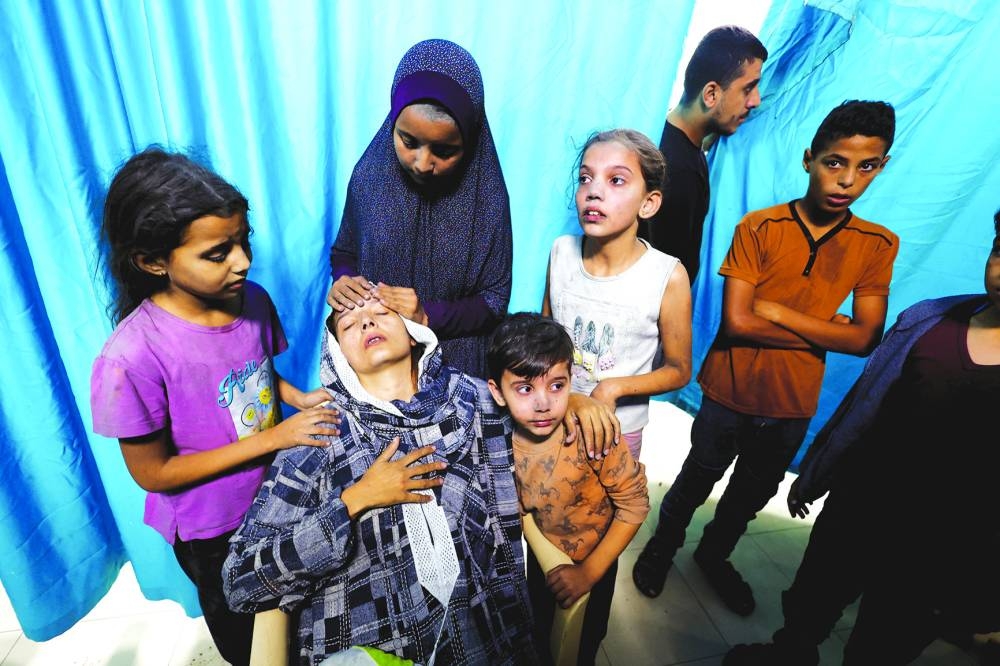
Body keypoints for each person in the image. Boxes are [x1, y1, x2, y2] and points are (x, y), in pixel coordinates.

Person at [633, 101, 901, 615]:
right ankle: (661, 549)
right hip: (729, 388)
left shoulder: (877, 245)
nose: (846, 179)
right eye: (835, 162)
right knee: (695, 480)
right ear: (809, 159)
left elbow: (867, 339)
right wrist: (827, 331)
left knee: (750, 496)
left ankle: (714, 555)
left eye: (865, 166)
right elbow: (737, 322)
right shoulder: (760, 228)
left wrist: (775, 310)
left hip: (792, 401)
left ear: (881, 167)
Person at [89, 147, 338, 666]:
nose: (243, 261)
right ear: (153, 261)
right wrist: (273, 438)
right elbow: (154, 473)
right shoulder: (131, 358)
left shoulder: (252, 301)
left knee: (300, 622)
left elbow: (254, 374)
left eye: (244, 242)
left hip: (278, 496)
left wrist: (297, 397)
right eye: (217, 252)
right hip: (213, 530)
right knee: (251, 644)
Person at [723, 211, 1000, 664]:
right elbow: (863, 407)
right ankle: (790, 651)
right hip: (860, 505)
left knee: (886, 637)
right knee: (811, 599)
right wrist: (817, 471)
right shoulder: (929, 321)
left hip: (944, 540)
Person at [223, 299, 539, 665]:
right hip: (371, 645)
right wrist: (354, 501)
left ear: (414, 333)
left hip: (488, 638)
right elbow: (239, 579)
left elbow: (543, 406)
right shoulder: (320, 437)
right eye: (349, 324)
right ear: (337, 356)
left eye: (382, 313)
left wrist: (578, 405)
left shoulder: (478, 401)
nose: (366, 323)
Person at [327, 38, 511, 380]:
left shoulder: (488, 199)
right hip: (376, 370)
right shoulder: (369, 177)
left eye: (444, 150)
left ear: (470, 142)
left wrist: (427, 316)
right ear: (392, 123)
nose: (422, 163)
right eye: (408, 141)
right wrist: (344, 280)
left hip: (458, 372)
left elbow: (495, 299)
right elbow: (345, 250)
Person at [486, 312, 650, 665]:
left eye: (557, 386)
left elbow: (634, 506)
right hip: (542, 555)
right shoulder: (497, 437)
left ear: (571, 381)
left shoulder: (594, 435)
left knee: (581, 643)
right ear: (497, 392)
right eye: (525, 389)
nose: (543, 403)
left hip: (595, 559)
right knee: (540, 631)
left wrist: (588, 574)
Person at [544, 128, 693, 463]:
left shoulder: (667, 276)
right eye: (585, 178)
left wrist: (613, 388)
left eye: (616, 181)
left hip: (617, 432)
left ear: (649, 203)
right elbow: (544, 340)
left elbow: (679, 369)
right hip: (554, 417)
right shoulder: (561, 253)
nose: (594, 191)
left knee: (603, 512)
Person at [638, 25, 768, 284]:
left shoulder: (681, 146)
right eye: (748, 88)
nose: (756, 101)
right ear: (711, 94)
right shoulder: (675, 168)